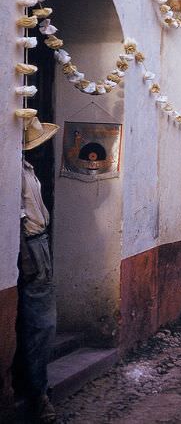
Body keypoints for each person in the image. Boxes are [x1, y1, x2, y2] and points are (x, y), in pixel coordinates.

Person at [15, 117, 59, 424]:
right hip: (32, 248)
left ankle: (33, 386)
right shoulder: (17, 171)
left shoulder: (26, 169)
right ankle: (38, 394)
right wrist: (29, 258)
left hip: (39, 245)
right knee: (41, 324)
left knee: (37, 322)